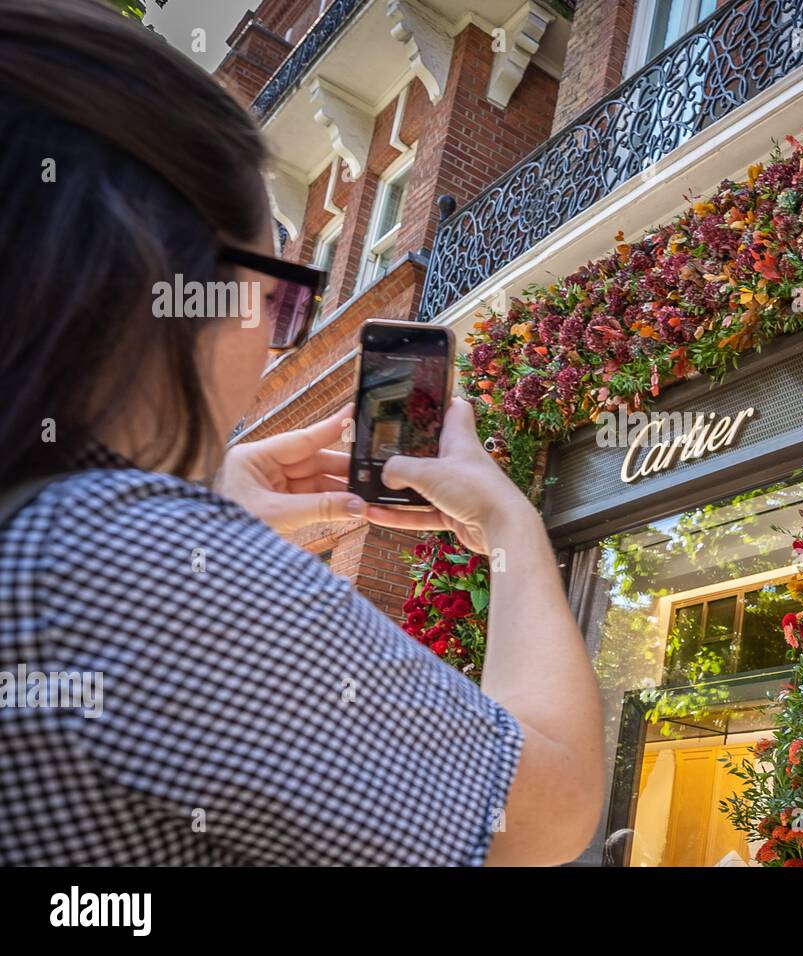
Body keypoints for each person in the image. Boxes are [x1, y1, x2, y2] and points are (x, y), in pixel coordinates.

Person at [0, 0, 602, 866]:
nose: (278, 337)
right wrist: (510, 526)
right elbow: (548, 811)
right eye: (283, 295)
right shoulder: (117, 567)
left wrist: (204, 515)